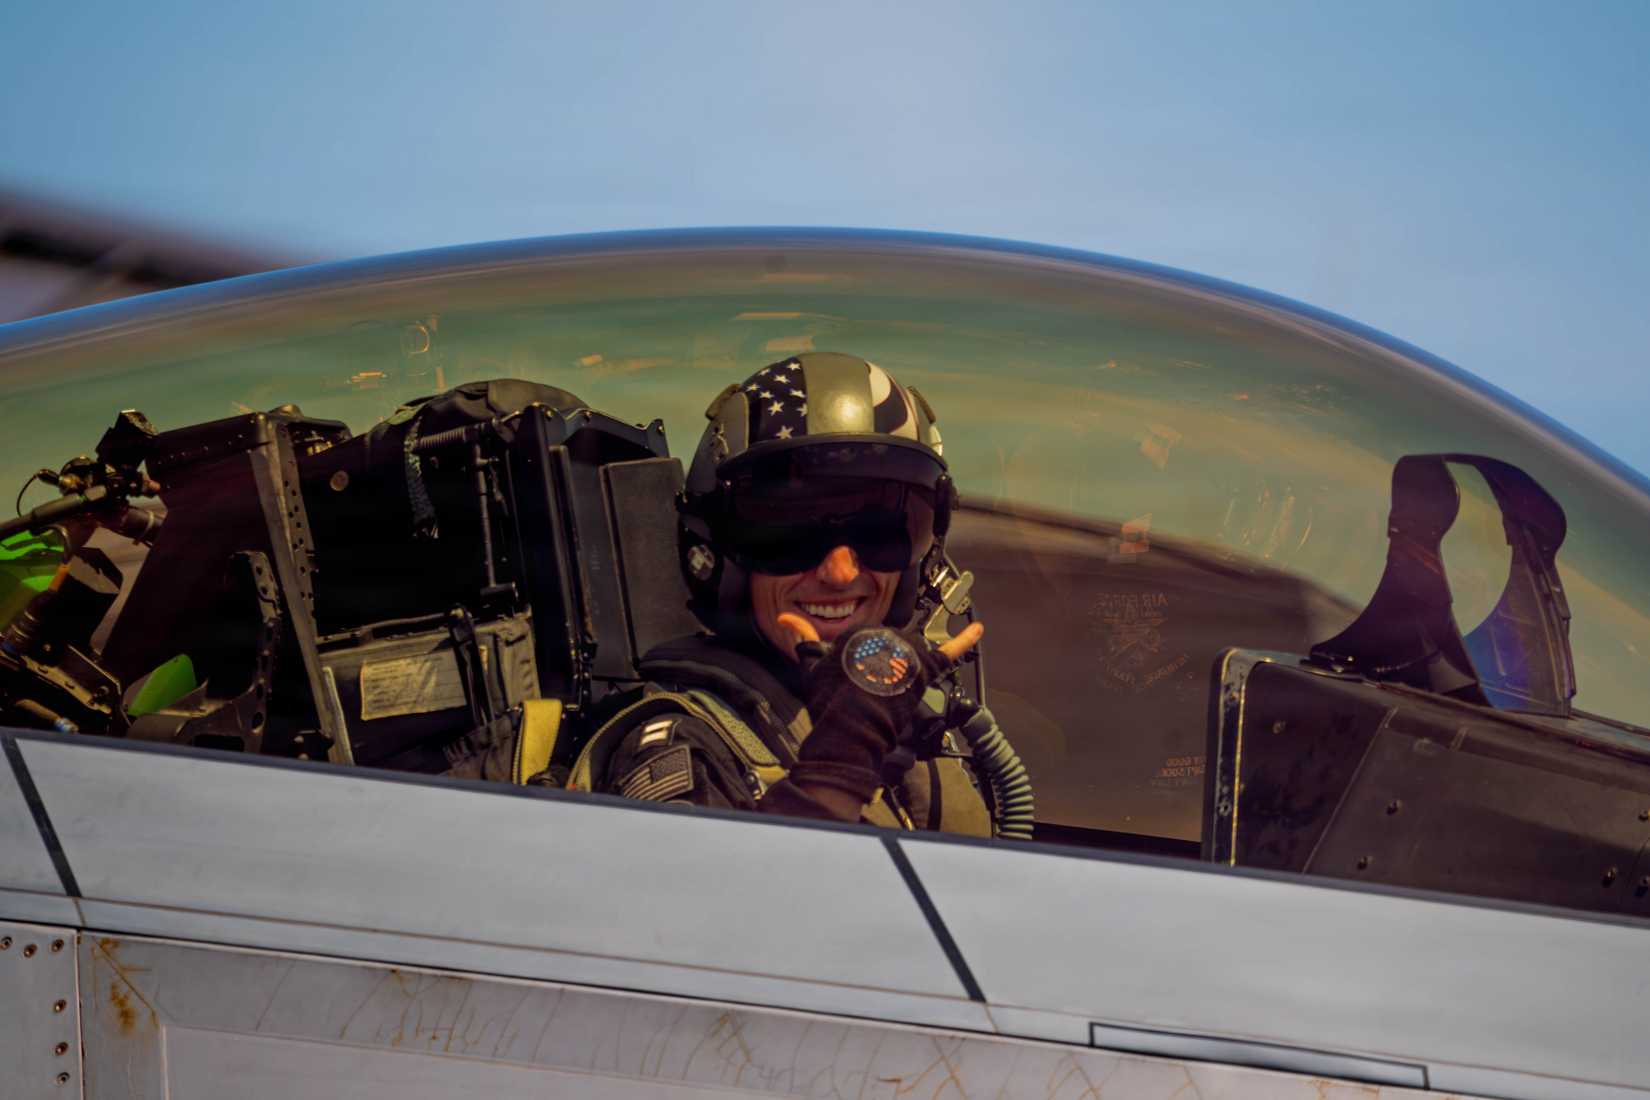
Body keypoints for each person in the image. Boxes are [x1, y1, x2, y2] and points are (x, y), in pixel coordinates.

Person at [567, 352, 996, 832]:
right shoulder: (678, 750)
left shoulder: (906, 716)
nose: (839, 574)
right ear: (716, 553)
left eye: (880, 530)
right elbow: (708, 903)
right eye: (791, 533)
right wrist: (836, 772)